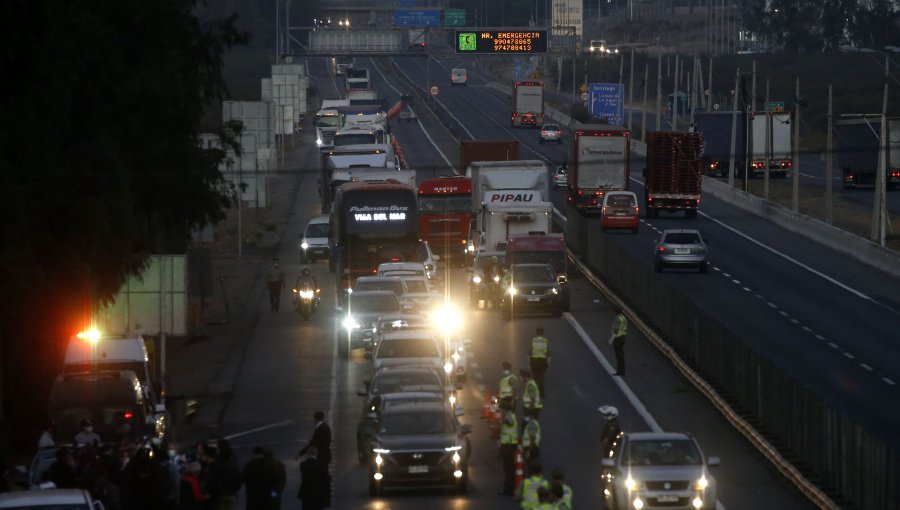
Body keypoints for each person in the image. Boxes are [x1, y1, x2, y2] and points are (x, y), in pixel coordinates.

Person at [297, 411, 332, 507]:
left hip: (322, 457)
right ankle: (326, 499)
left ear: (316, 418)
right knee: (324, 478)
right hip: (325, 456)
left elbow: (313, 443)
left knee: (322, 478)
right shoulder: (325, 427)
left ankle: (324, 499)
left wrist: (301, 453)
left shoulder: (320, 429)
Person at [242, 446, 286, 510]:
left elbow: (242, 478)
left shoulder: (250, 465)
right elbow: (282, 481)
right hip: (272, 501)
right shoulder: (278, 465)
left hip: (254, 500)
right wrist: (275, 494)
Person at [207, 438, 242, 510]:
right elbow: (238, 480)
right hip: (231, 494)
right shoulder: (234, 464)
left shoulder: (215, 465)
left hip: (219, 495)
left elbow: (211, 481)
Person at [297, 446, 329, 510]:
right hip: (318, 494)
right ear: (317, 453)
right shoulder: (322, 465)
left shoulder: (303, 465)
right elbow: (326, 481)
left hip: (306, 494)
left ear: (308, 454)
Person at [498, 410, 519, 495]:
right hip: (508, 445)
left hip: (509, 446)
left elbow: (510, 423)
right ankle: (509, 487)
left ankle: (509, 488)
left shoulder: (509, 416)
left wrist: (504, 420)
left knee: (508, 468)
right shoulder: (511, 415)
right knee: (508, 468)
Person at [529, 327, 550, 396]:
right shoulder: (545, 341)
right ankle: (541, 392)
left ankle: (534, 393)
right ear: (543, 333)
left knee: (535, 377)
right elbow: (548, 352)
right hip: (542, 361)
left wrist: (529, 362)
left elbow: (530, 351)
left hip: (534, 361)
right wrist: (548, 362)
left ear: (536, 333)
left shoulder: (533, 340)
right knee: (541, 376)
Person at [609, 306, 627, 375]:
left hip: (618, 338)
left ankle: (620, 371)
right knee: (621, 354)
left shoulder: (617, 319)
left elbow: (616, 329)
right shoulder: (623, 318)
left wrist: (611, 339)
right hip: (623, 337)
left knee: (618, 355)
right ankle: (622, 371)